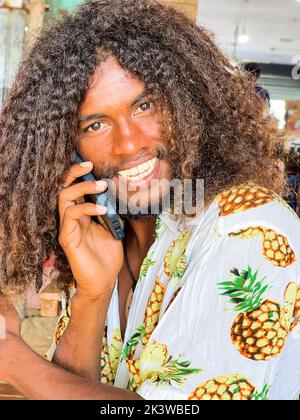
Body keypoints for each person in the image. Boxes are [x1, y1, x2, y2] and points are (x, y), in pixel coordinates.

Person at [0, 0, 300, 401]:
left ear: (188, 104)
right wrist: (93, 294)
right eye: (96, 124)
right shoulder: (107, 238)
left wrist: (10, 356)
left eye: (144, 106)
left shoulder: (246, 228)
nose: (128, 143)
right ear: (65, 150)